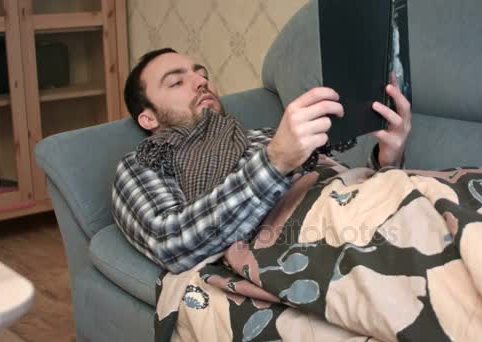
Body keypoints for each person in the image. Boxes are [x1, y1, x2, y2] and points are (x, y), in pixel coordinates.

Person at [111, 48, 412, 273]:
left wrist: (387, 161)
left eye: (201, 74)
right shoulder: (144, 161)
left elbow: (346, 186)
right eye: (176, 82)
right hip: (327, 238)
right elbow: (172, 244)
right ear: (147, 117)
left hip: (380, 206)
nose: (201, 82)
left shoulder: (263, 136)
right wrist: (275, 161)